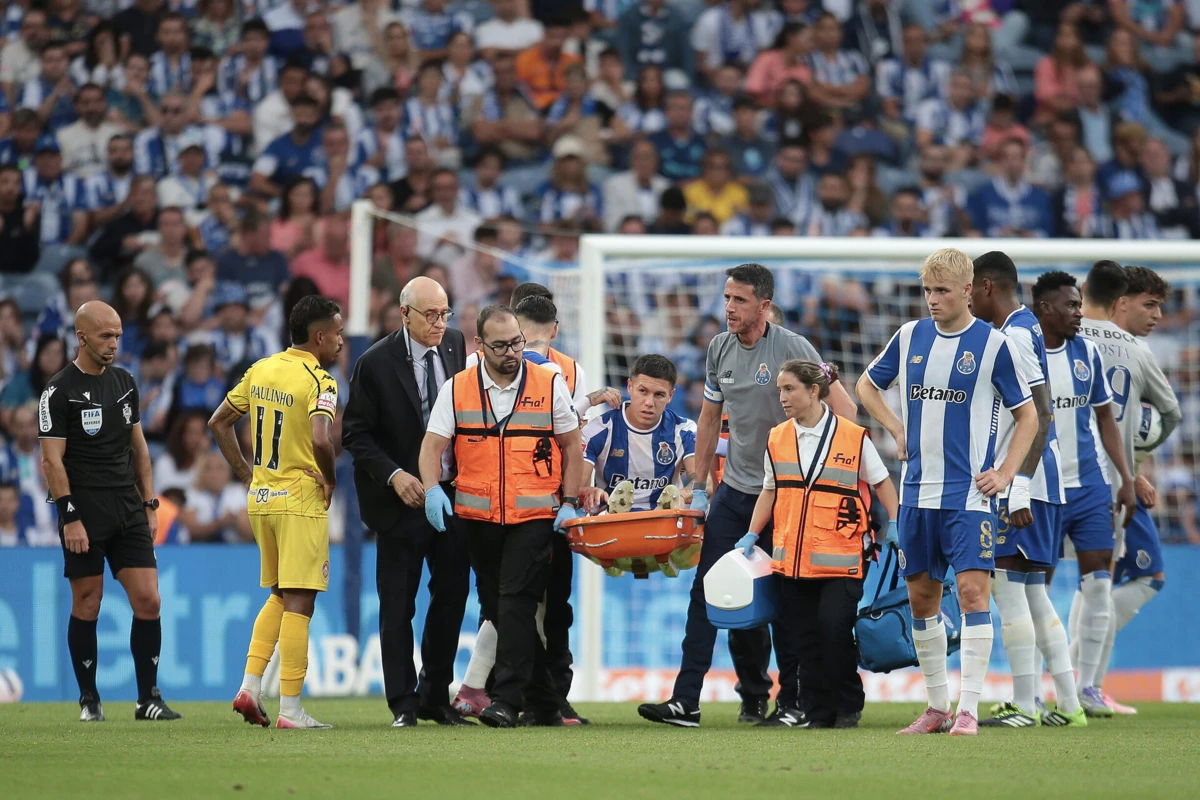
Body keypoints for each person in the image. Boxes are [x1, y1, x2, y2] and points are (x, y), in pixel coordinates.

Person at [637, 263, 857, 729]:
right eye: (727, 298)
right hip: (736, 493)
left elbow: (847, 411)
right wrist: (699, 487)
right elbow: (709, 420)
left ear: (765, 305)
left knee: (786, 602)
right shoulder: (718, 347)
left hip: (788, 499)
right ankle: (687, 701)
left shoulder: (794, 347)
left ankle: (793, 701)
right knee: (709, 592)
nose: (729, 308)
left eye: (739, 300)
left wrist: (824, 476)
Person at [857, 248, 1039, 736]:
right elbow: (865, 386)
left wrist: (1004, 473)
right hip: (916, 494)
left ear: (967, 290)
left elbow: (1030, 416)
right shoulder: (910, 336)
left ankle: (969, 708)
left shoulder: (993, 345)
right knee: (921, 600)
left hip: (969, 497)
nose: (933, 300)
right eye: (927, 291)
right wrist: (896, 429)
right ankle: (937, 706)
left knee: (974, 593)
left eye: (941, 291)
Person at [419, 305, 584, 728]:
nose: (513, 352)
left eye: (517, 342)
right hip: (478, 518)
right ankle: (545, 701)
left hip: (535, 515)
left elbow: (571, 445)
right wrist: (433, 489)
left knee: (513, 601)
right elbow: (431, 447)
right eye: (502, 345)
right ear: (480, 345)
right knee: (497, 606)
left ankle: (507, 701)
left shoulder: (549, 382)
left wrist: (568, 499)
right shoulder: (458, 389)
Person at [38, 300, 181, 722]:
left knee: (149, 600)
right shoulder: (58, 391)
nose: (114, 343)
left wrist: (150, 502)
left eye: (118, 335)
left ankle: (148, 699)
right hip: (85, 509)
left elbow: (139, 448)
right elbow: (51, 461)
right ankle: (89, 699)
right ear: (81, 337)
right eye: (105, 336)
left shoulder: (124, 382)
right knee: (88, 603)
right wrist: (69, 515)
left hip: (127, 506)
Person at [341, 276, 471, 728]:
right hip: (400, 505)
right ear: (405, 314)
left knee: (452, 597)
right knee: (398, 604)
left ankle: (437, 695)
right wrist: (395, 476)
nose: (440, 323)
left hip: (451, 497)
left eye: (445, 312)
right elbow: (355, 434)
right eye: (431, 315)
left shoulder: (456, 345)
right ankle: (403, 702)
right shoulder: (374, 362)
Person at [208, 295, 343, 729]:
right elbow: (322, 440)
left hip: (261, 500)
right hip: (301, 499)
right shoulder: (321, 381)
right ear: (319, 336)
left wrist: (247, 473)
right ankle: (291, 710)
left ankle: (250, 687)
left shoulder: (261, 369)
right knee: (301, 602)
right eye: (337, 334)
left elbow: (219, 421)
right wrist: (331, 479)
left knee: (280, 594)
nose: (341, 342)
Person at [739, 359, 898, 729]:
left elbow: (882, 482)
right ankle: (817, 712)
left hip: (843, 557)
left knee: (834, 629)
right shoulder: (777, 437)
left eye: (789, 389)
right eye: (779, 389)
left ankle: (847, 702)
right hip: (792, 560)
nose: (782, 397)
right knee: (802, 639)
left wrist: (895, 523)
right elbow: (769, 490)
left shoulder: (852, 436)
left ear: (813, 391)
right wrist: (751, 532)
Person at [969, 252, 1085, 728]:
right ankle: (1070, 705)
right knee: (1033, 594)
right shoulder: (1024, 328)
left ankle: (1024, 704)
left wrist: (1017, 484)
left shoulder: (1013, 336)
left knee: (1009, 590)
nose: (965, 298)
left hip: (1027, 481)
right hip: (1042, 478)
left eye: (968, 288)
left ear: (987, 286)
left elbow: (1040, 413)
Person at [1032, 268, 1138, 714]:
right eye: (1070, 305)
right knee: (1037, 590)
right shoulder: (1022, 353)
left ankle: (1089, 689)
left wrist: (1127, 478)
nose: (1079, 312)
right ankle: (1030, 690)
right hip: (1042, 487)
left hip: (1091, 485)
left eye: (1080, 303)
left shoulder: (1087, 352)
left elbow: (1105, 418)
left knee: (1099, 585)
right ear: (1044, 309)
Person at [1078, 263, 1181, 714]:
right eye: (1149, 304)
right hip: (1111, 486)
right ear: (1121, 301)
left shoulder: (1068, 338)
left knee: (1087, 580)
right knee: (1139, 576)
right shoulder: (1132, 352)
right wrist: (1133, 467)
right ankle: (1083, 682)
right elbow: (1171, 414)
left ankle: (1080, 684)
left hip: (1072, 477)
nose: (1157, 315)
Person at [581, 353, 696, 518]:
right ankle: (618, 511)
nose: (649, 402)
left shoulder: (684, 430)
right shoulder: (599, 430)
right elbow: (573, 490)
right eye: (643, 391)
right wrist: (590, 492)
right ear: (629, 387)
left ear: (671, 395)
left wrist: (682, 495)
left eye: (659, 395)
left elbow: (704, 482)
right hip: (609, 522)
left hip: (664, 521)